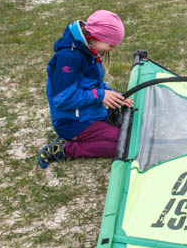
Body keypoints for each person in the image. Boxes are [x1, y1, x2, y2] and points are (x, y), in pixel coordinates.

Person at [38, 10, 133, 168]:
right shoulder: (68, 59)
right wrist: (100, 96)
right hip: (73, 122)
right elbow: (63, 99)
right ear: (95, 38)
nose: (111, 49)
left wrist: (115, 96)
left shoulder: (89, 51)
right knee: (125, 144)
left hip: (90, 115)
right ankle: (66, 149)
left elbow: (93, 84)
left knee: (128, 135)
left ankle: (81, 137)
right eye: (110, 45)